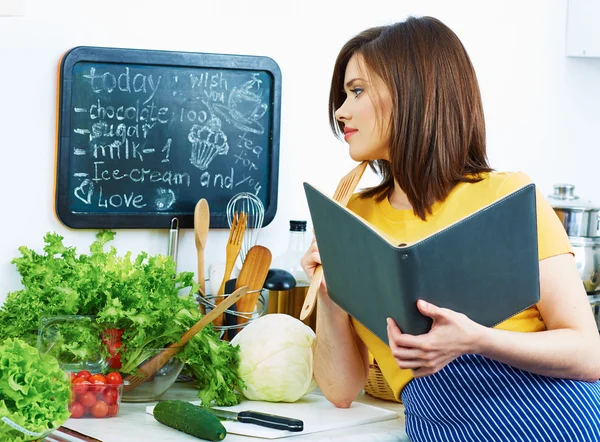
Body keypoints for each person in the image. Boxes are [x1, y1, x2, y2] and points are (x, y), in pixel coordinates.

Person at [301, 16, 600, 442]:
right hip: (442, 425)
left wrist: (475, 340)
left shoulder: (508, 197)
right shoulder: (352, 216)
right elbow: (340, 390)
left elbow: (589, 353)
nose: (340, 111)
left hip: (558, 418)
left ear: (412, 93)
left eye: (357, 91)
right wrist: (329, 293)